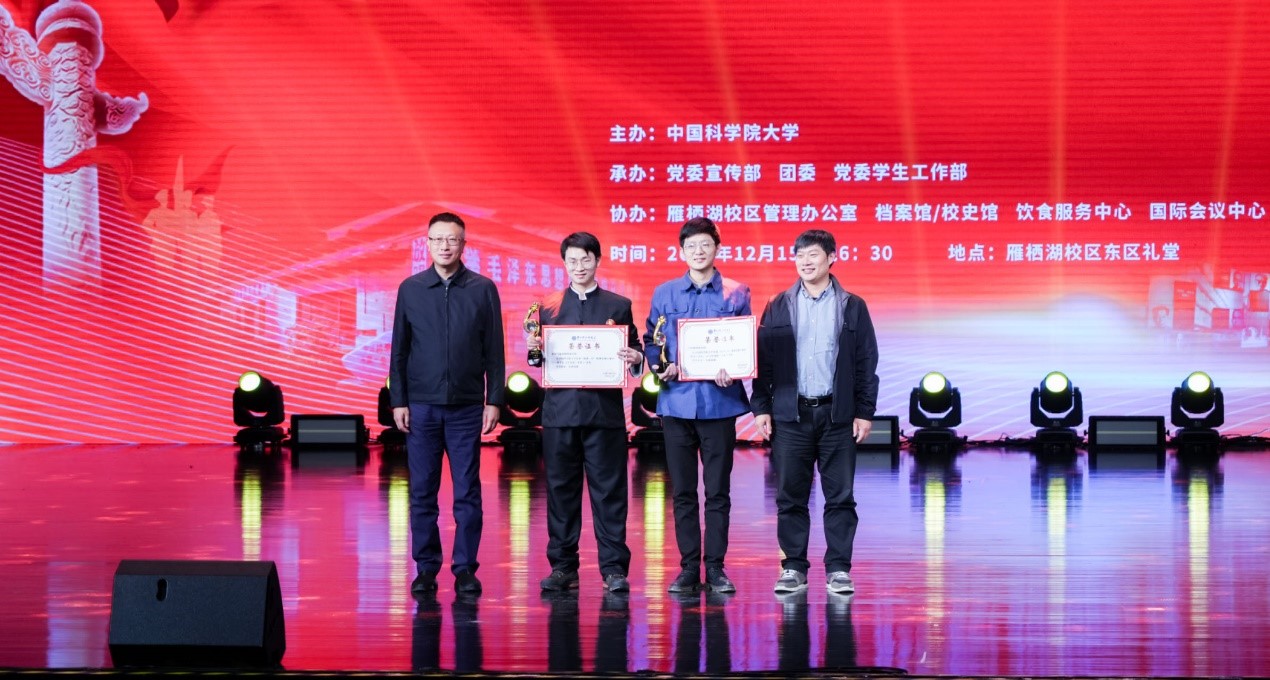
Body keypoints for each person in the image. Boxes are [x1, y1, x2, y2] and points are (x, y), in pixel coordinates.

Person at [751, 228, 879, 595]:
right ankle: (793, 567)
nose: (805, 262)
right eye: (800, 255)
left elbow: (866, 361)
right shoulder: (778, 304)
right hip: (790, 415)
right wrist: (761, 407)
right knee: (790, 496)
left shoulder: (852, 305)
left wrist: (864, 411)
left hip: (837, 414)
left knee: (840, 497)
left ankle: (838, 569)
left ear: (832, 258)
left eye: (813, 255)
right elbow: (763, 361)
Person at [389, 212, 505, 596]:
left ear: (463, 245)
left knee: (467, 491)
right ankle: (426, 568)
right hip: (421, 406)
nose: (445, 246)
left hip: (467, 407)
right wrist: (398, 400)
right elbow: (399, 350)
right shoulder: (411, 289)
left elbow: (495, 350)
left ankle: (465, 568)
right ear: (427, 243)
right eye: (437, 239)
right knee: (422, 491)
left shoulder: (483, 289)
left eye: (452, 239)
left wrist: (494, 400)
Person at [529, 232, 644, 593]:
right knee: (560, 492)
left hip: (603, 414)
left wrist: (636, 358)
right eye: (572, 261)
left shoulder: (618, 305)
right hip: (559, 413)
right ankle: (563, 567)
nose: (579, 267)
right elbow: (537, 359)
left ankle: (614, 569)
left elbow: (635, 349)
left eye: (586, 260)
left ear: (597, 261)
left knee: (609, 493)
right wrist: (534, 349)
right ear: (564, 263)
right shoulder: (546, 307)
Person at [643, 217, 751, 594]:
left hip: (719, 404)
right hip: (676, 403)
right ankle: (689, 567)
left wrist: (734, 369)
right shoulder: (665, 292)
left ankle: (716, 567)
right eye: (691, 246)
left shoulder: (736, 293)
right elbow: (652, 341)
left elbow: (743, 343)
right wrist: (661, 367)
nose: (699, 251)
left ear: (717, 248)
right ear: (681, 251)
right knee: (683, 492)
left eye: (706, 245)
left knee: (718, 491)